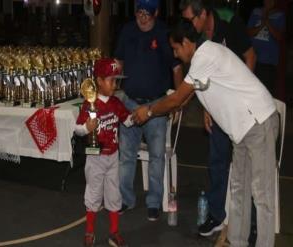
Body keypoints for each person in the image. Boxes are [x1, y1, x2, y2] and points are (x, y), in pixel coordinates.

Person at [133, 18, 278, 247]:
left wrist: (149, 111)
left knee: (262, 196)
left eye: (176, 48)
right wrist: (207, 108)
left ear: (188, 42)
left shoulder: (205, 55)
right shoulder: (203, 58)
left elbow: (178, 99)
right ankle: (237, 242)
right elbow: (188, 96)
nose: (176, 53)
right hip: (240, 130)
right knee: (239, 190)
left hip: (258, 121)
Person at [180, 0, 256, 236]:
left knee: (246, 168)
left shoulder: (230, 23)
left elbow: (251, 57)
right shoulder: (200, 38)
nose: (189, 26)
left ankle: (251, 224)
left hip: (242, 107)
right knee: (216, 161)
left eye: (190, 19)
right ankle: (216, 215)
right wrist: (207, 109)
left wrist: (239, 94)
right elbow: (204, 78)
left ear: (203, 14)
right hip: (219, 108)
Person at [114, 0, 183, 221]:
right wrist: (113, 92)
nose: (142, 18)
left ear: (156, 13)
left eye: (147, 14)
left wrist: (177, 100)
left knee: (156, 156)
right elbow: (118, 62)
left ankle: (154, 202)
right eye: (139, 13)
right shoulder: (127, 30)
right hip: (130, 102)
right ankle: (126, 199)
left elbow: (177, 68)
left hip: (157, 104)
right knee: (125, 154)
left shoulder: (164, 33)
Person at [75, 58, 133, 247]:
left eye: (116, 81)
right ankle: (90, 232)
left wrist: (146, 113)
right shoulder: (89, 103)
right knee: (93, 193)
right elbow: (77, 129)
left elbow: (128, 120)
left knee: (114, 193)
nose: (115, 85)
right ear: (99, 80)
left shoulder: (116, 103)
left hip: (113, 156)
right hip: (95, 157)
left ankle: (114, 232)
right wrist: (86, 126)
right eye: (111, 80)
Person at [247, 0, 285, 95]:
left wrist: (266, 19)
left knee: (265, 94)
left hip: (268, 63)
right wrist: (262, 23)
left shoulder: (280, 15)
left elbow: (279, 37)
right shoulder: (256, 11)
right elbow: (249, 32)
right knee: (250, 91)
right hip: (252, 59)